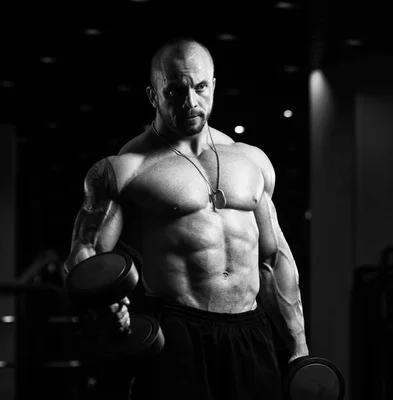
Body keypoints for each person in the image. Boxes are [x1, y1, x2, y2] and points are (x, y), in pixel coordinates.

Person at [63, 37, 309, 400]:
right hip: (178, 332)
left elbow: (274, 259)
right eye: (175, 91)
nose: (191, 102)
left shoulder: (251, 160)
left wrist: (298, 345)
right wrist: (107, 305)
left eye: (200, 87)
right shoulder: (126, 169)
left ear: (213, 85)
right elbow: (84, 256)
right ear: (153, 95)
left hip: (250, 331)